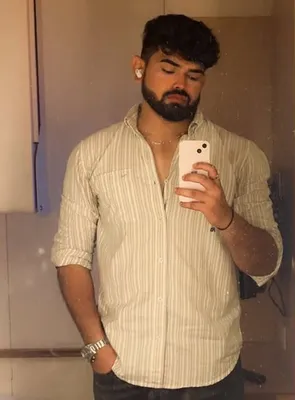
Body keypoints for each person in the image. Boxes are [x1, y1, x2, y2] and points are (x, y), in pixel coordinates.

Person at [51, 14, 283, 400]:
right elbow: (71, 257)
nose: (180, 85)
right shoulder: (92, 156)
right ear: (139, 68)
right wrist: (96, 348)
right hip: (122, 369)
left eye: (194, 75)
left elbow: (266, 264)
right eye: (169, 68)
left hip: (212, 372)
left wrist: (225, 218)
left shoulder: (241, 156)